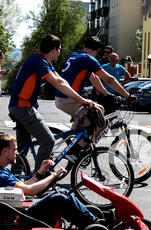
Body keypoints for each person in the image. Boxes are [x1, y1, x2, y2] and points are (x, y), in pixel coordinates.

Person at [8, 34, 95, 173]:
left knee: (22, 148)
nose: (60, 52)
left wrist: (79, 97)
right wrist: (82, 100)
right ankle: (38, 179)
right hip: (22, 107)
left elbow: (62, 81)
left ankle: (14, 178)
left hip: (22, 106)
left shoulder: (45, 62)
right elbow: (57, 83)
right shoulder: (39, 61)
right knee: (48, 141)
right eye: (59, 49)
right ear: (54, 49)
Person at [0, 134, 101, 229]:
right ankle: (94, 226)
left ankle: (93, 221)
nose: (17, 153)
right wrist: (54, 175)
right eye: (15, 150)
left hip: (15, 211)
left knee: (63, 192)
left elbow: (25, 186)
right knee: (60, 198)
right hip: (18, 216)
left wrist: (41, 172)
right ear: (4, 151)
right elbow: (31, 191)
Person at [55, 36, 134, 120]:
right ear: (97, 51)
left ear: (84, 45)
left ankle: (81, 131)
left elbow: (93, 78)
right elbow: (109, 80)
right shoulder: (89, 59)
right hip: (69, 100)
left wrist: (106, 94)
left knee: (101, 109)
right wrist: (128, 96)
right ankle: (84, 131)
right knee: (99, 121)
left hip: (62, 97)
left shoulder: (74, 55)